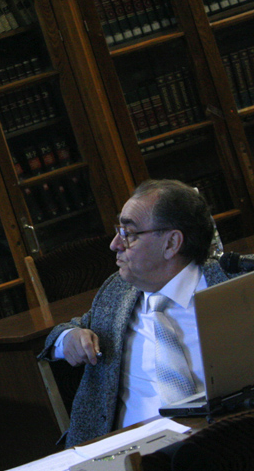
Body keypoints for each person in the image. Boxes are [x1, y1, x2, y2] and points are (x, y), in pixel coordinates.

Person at [38, 179, 243, 447]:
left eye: (128, 233)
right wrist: (68, 338)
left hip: (224, 446)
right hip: (123, 454)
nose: (114, 244)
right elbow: (66, 331)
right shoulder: (117, 291)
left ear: (171, 243)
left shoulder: (235, 288)